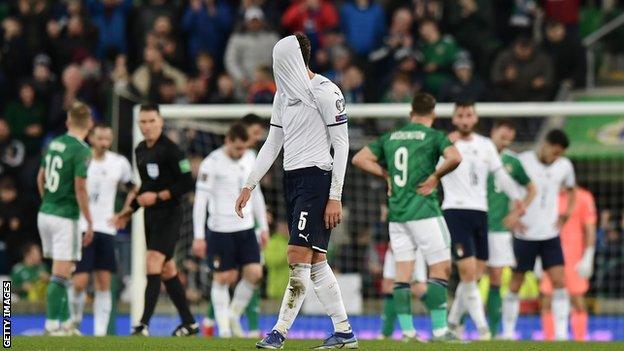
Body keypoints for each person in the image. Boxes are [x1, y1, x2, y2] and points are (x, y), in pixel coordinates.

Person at [235, 34, 356, 349]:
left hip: (317, 179)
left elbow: (342, 145)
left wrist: (335, 196)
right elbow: (273, 143)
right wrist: (249, 183)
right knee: (316, 261)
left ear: (297, 58)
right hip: (292, 179)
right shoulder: (282, 96)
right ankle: (344, 332)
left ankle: (279, 333)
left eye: (280, 59)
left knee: (296, 256)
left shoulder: (326, 92)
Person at [352, 92, 462, 341]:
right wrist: (435, 177)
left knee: (402, 273)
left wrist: (387, 175)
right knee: (441, 267)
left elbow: (359, 158)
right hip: (424, 210)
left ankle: (408, 332)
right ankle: (440, 329)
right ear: (433, 113)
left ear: (411, 113)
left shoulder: (392, 137)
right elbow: (455, 157)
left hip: (397, 214)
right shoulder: (434, 136)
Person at [112, 104, 198, 337]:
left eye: (151, 121)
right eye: (143, 122)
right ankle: (189, 323)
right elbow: (144, 188)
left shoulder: (172, 150)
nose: (147, 126)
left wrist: (159, 196)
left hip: (170, 214)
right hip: (150, 216)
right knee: (168, 269)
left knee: (152, 262)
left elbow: (187, 183)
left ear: (160, 122)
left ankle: (142, 325)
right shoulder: (140, 149)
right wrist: (127, 211)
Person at [442, 101, 524, 340]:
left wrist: (517, 198)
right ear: (455, 119)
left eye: (469, 115)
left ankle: (453, 323)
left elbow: (501, 175)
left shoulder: (486, 145)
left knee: (475, 275)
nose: (465, 119)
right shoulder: (446, 144)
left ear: (475, 119)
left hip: (481, 213)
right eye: (461, 115)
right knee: (468, 272)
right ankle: (483, 329)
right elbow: (433, 174)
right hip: (456, 212)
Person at [192, 124, 269, 338]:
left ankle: (233, 314)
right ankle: (224, 331)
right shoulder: (211, 163)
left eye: (243, 148)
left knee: (255, 274)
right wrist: (199, 236)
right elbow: (201, 201)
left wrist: (263, 227)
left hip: (245, 229)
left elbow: (258, 194)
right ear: (227, 140)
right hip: (220, 229)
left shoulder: (251, 157)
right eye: (236, 148)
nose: (240, 153)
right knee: (223, 277)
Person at [502, 129, 576, 340]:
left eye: (560, 154)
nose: (556, 157)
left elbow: (572, 190)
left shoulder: (564, 166)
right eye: (554, 152)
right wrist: (514, 215)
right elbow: (509, 188)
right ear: (544, 144)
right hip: (525, 233)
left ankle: (561, 335)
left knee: (559, 281)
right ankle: (507, 334)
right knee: (516, 282)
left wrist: (566, 215)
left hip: (550, 234)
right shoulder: (523, 161)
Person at [68, 124, 134, 336]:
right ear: (91, 138)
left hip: (106, 229)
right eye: (100, 138)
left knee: (104, 282)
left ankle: (100, 333)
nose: (104, 143)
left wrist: (124, 212)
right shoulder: (80, 159)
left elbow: (134, 188)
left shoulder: (119, 163)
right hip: (81, 227)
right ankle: (74, 322)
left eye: (108, 138)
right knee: (79, 281)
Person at [37, 101, 94, 335]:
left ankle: (65, 322)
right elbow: (80, 189)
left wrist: (48, 202)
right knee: (60, 273)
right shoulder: (82, 150)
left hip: (46, 212)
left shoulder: (55, 143)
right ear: (89, 123)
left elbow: (40, 177)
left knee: (65, 269)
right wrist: (89, 221)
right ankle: (52, 325)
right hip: (65, 217)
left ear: (69, 121)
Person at [485, 120, 536, 336]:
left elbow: (532, 189)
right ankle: (456, 323)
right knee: (471, 274)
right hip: (474, 223)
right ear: (493, 132)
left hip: (498, 227)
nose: (506, 140)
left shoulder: (513, 162)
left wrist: (516, 213)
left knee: (496, 276)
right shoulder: (477, 153)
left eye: (509, 138)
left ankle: (493, 332)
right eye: (502, 135)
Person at [540, 186, 596, 341]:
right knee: (547, 300)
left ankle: (579, 341)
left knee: (578, 300)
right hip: (549, 254)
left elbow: (590, 227)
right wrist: (538, 256)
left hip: (575, 258)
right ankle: (550, 342)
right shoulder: (547, 195)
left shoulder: (584, 197)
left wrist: (588, 255)